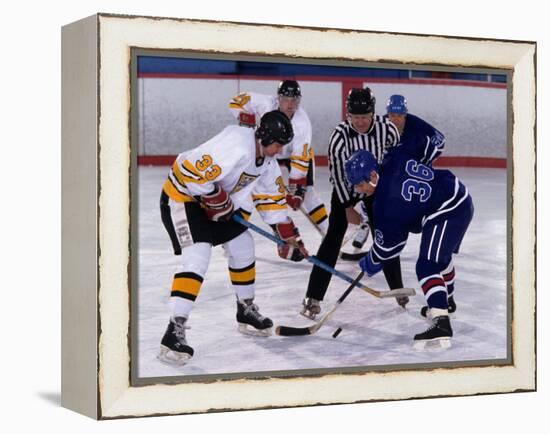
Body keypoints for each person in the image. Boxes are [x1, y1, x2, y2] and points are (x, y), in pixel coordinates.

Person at [158, 110, 309, 365]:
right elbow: (186, 169)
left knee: (243, 246)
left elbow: (270, 200)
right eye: (277, 145)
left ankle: (245, 309)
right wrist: (214, 196)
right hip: (183, 198)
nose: (279, 151)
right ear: (264, 137)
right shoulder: (236, 143)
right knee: (198, 257)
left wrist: (287, 235)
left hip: (216, 205)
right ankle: (174, 328)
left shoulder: (268, 163)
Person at [344, 148, 474, 348]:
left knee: (427, 266)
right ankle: (446, 302)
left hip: (448, 209)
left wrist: (370, 262)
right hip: (457, 194)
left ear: (372, 175)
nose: (359, 190)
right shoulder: (393, 157)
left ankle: (441, 323)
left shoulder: (386, 203)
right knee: (441, 258)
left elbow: (389, 249)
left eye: (361, 184)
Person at [301, 87, 406, 319]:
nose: (359, 122)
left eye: (364, 117)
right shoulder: (339, 137)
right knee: (332, 239)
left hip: (375, 187)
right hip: (346, 189)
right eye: (355, 117)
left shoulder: (387, 130)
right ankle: (313, 297)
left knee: (385, 234)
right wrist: (348, 206)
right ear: (348, 115)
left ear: (373, 113)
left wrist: (387, 192)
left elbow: (394, 162)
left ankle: (397, 288)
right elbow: (337, 174)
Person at [228, 80, 329, 233]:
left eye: (294, 100)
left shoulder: (303, 123)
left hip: (291, 156)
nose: (290, 104)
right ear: (278, 98)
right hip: (268, 150)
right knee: (248, 190)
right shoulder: (264, 103)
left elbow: (300, 157)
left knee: (308, 193)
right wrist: (246, 119)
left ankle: (329, 233)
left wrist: (297, 187)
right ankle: (232, 233)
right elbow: (236, 101)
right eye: (285, 99)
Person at [385, 94, 445, 166]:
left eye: (400, 115)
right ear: (388, 114)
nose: (396, 120)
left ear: (405, 114)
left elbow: (440, 141)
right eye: (392, 115)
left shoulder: (416, 124)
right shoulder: (380, 125)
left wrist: (424, 163)